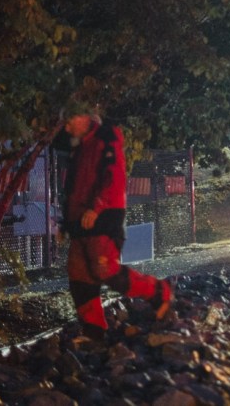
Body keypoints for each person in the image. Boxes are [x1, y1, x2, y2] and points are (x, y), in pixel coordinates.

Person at [61, 112, 172, 342]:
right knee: (80, 276)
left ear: (83, 117)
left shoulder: (106, 139)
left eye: (70, 122)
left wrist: (97, 207)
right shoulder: (81, 147)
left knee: (106, 270)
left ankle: (158, 292)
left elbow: (114, 178)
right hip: (81, 220)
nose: (67, 128)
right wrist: (66, 222)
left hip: (103, 217)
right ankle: (93, 332)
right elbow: (73, 187)